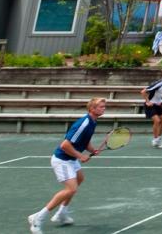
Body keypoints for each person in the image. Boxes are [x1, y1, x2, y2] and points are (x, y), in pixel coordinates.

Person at [28, 98, 107, 233]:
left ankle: (61, 214)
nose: (103, 109)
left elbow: (85, 141)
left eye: (104, 106)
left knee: (79, 179)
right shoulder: (84, 123)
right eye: (101, 107)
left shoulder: (93, 121)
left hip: (71, 159)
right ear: (92, 109)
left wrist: (92, 150)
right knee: (71, 189)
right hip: (62, 160)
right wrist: (80, 156)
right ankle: (38, 218)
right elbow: (65, 145)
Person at [141, 69, 162, 149]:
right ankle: (155, 140)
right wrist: (148, 101)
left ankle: (158, 139)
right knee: (157, 121)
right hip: (150, 105)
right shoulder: (159, 83)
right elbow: (143, 91)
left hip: (158, 105)